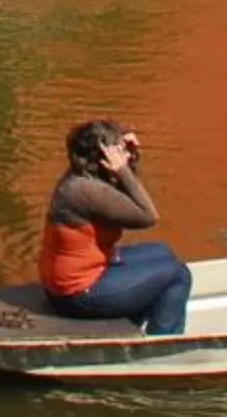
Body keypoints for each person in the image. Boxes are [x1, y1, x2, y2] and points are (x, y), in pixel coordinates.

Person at [37, 119, 193, 336]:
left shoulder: (83, 177)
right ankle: (163, 344)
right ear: (103, 157)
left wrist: (129, 161)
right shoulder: (85, 191)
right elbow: (148, 216)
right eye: (117, 149)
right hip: (77, 294)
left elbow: (124, 196)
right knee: (178, 275)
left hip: (82, 275)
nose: (123, 153)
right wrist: (122, 170)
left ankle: (132, 322)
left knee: (163, 252)